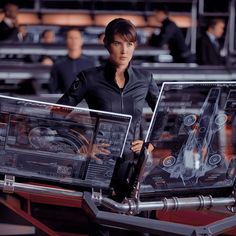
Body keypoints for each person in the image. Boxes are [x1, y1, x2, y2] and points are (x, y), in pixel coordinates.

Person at [56, 17, 159, 235]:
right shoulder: (89, 78)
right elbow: (57, 114)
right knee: (101, 230)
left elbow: (164, 113)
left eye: (129, 44)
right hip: (100, 166)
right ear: (106, 43)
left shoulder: (145, 78)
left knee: (142, 230)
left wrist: (151, 143)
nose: (124, 50)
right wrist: (80, 144)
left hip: (134, 168)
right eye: (117, 43)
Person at [48, 28, 95, 93]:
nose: (73, 41)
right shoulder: (58, 64)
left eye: (76, 38)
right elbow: (53, 89)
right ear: (66, 40)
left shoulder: (91, 63)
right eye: (70, 38)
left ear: (81, 41)